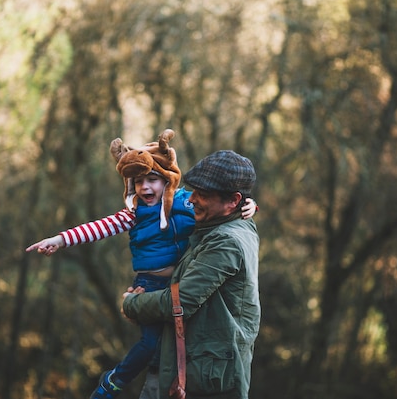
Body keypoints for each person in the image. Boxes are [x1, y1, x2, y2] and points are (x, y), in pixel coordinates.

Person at [26, 132, 258, 399]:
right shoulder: (135, 213)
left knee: (159, 346)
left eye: (152, 180)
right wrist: (60, 240)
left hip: (182, 309)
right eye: (138, 182)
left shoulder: (191, 207)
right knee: (151, 345)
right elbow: (99, 228)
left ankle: (137, 379)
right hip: (150, 285)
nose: (145, 188)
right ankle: (113, 381)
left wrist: (251, 204)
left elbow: (183, 299)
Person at [122, 150, 261, 399]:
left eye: (203, 195)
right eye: (193, 191)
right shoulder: (223, 224)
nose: (193, 199)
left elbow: (180, 302)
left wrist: (133, 304)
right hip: (197, 367)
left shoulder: (225, 241)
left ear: (233, 200)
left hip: (207, 379)